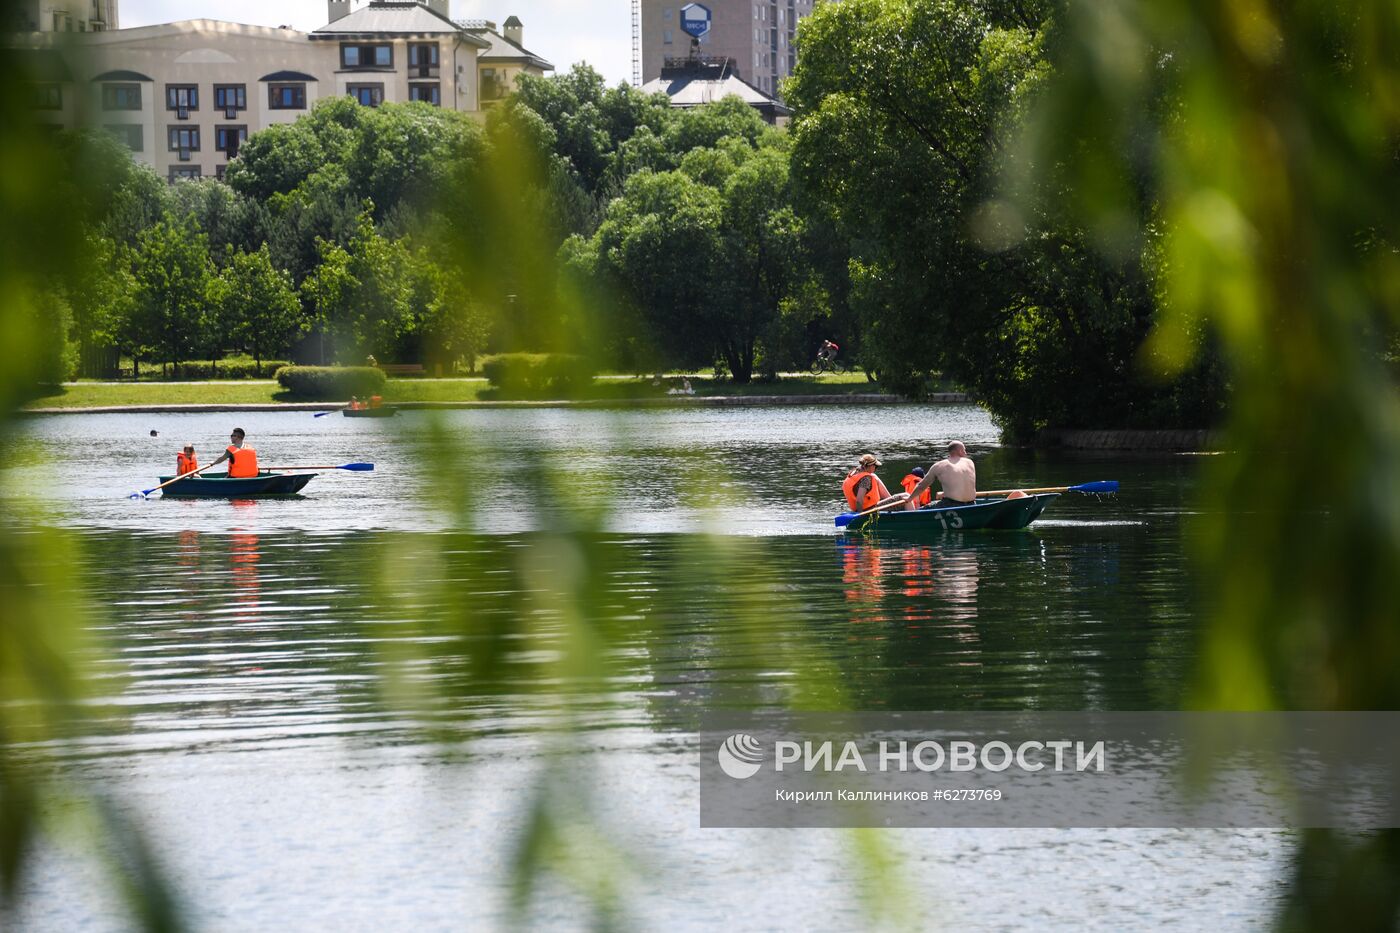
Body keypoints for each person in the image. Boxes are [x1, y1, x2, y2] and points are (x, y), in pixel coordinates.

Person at [904, 441, 977, 507]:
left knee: (924, 509)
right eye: (964, 450)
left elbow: (921, 486)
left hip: (951, 504)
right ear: (960, 451)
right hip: (972, 504)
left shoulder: (939, 466)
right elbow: (961, 485)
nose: (966, 453)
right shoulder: (970, 462)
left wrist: (910, 498)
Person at [842, 453, 907, 513]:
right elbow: (859, 501)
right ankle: (912, 518)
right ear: (870, 466)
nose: (875, 469)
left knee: (904, 496)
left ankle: (891, 502)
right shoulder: (866, 479)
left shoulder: (853, 473)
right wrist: (861, 515)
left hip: (865, 508)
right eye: (875, 466)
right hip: (870, 510)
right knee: (906, 496)